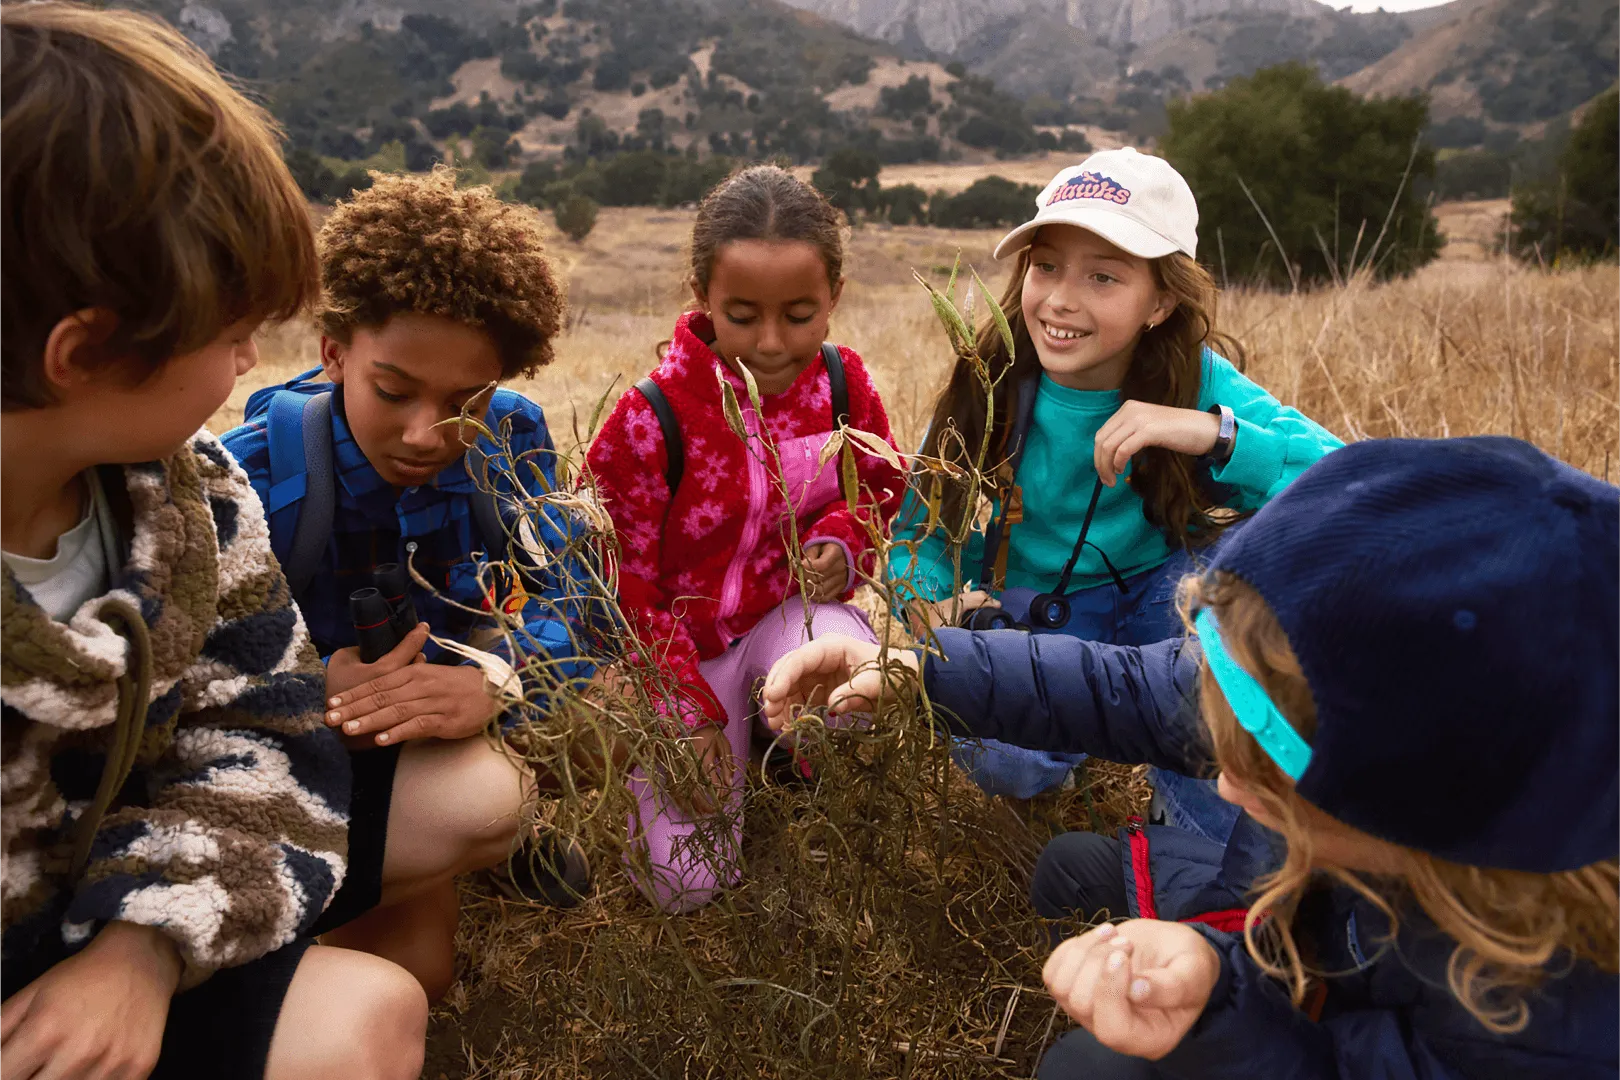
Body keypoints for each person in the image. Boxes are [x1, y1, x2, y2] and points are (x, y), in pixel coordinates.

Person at [763, 436, 1620, 1079]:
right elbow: (1131, 690)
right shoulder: (1318, 691)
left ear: (1414, 808)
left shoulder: (1539, 1023)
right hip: (1283, 923)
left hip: (1307, 999)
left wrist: (1218, 1022)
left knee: (1084, 1072)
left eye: (1266, 781)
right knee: (1069, 869)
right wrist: (925, 672)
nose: (1219, 778)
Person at [0, 6, 426, 1079]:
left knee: (370, 1011)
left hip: (97, 921)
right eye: (230, 330)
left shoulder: (187, 494)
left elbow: (271, 731)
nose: (250, 359)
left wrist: (143, 945)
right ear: (84, 349)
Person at [222, 168, 596, 1001]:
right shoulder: (251, 475)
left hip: (450, 712)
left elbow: (580, 598)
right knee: (409, 981)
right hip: (298, 748)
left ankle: (494, 829)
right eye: (392, 391)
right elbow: (190, 678)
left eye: (465, 399)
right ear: (333, 352)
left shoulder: (510, 440)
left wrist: (498, 685)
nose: (427, 434)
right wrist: (309, 695)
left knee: (426, 968)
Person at [890, 148, 1342, 832]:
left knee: (1222, 659)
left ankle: (1190, 810)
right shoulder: (989, 387)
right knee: (1009, 763)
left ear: (1161, 301)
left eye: (1104, 276)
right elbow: (914, 539)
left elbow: (1347, 482)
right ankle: (1088, 726)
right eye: (1047, 266)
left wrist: (1205, 431)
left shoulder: (1197, 379)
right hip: (1040, 611)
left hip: (1166, 594)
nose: (1062, 300)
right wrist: (932, 614)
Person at [584, 165, 905, 913]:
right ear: (700, 300)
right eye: (741, 314)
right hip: (681, 656)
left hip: (786, 623)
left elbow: (882, 485)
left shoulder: (844, 387)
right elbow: (622, 580)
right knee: (681, 884)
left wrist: (841, 536)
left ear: (835, 298)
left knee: (848, 706)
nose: (770, 342)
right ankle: (733, 742)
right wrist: (686, 712)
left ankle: (786, 747)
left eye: (798, 314)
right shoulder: (648, 419)